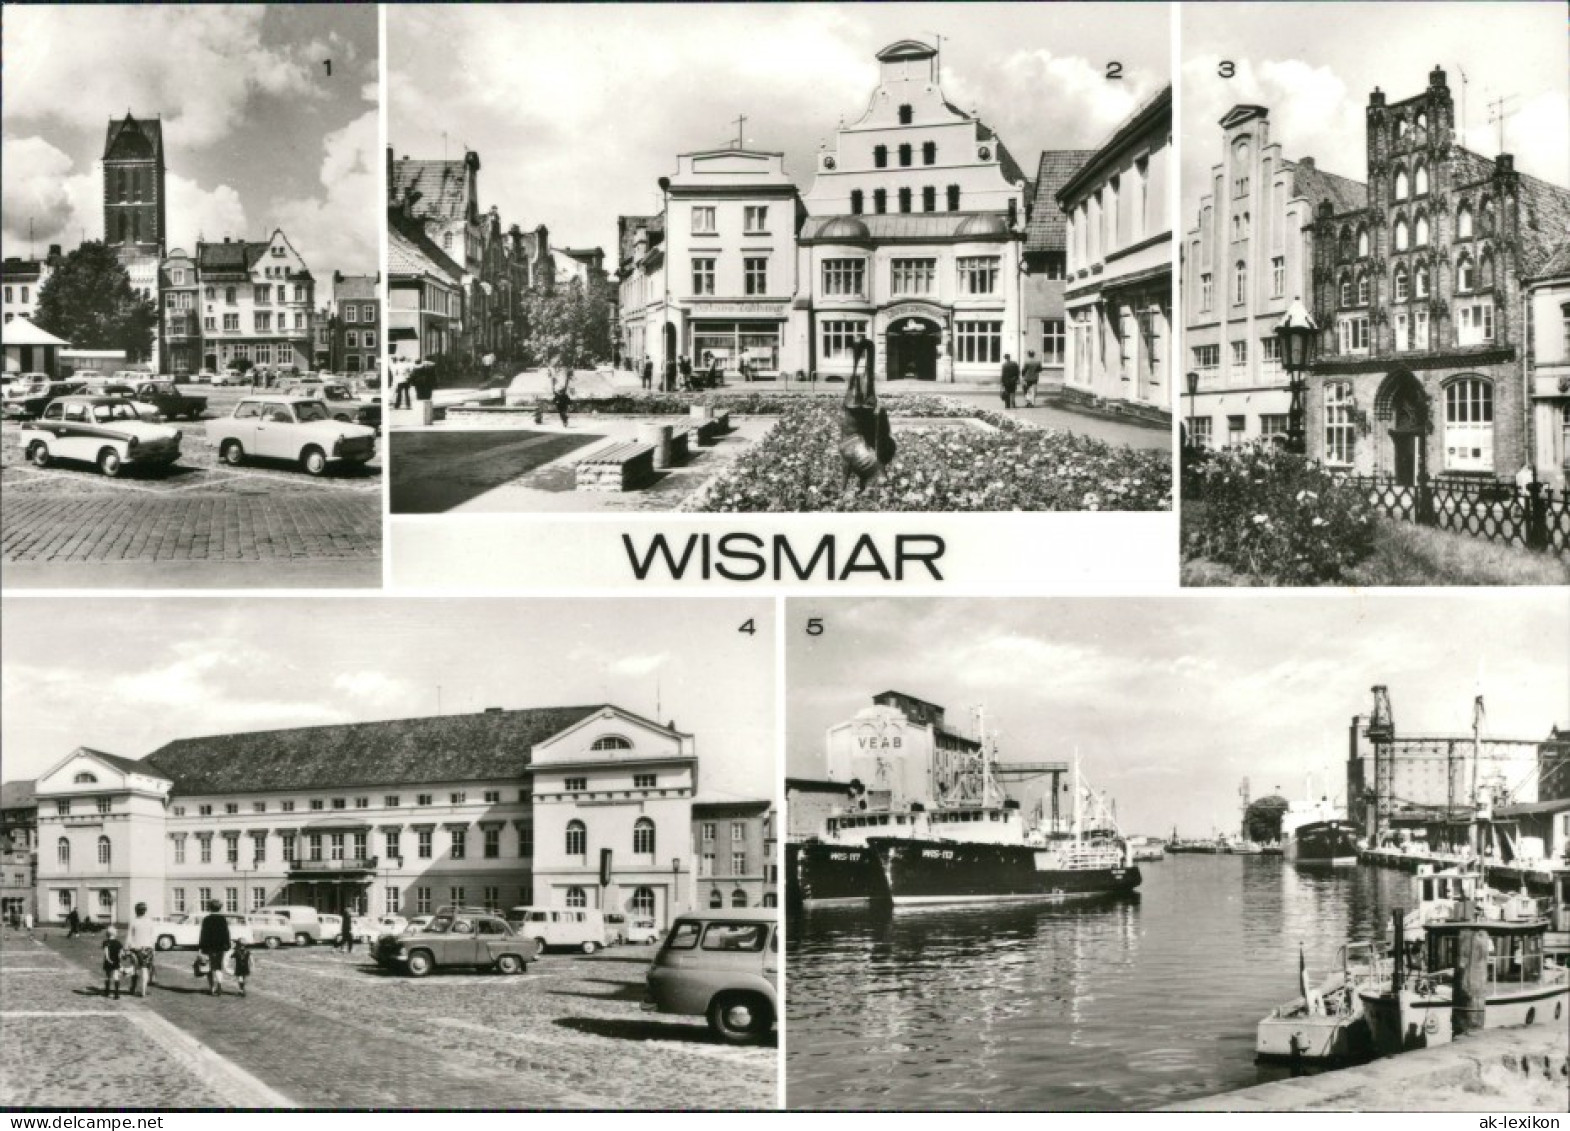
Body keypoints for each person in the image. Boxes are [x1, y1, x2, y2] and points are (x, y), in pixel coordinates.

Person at [198, 899, 231, 996]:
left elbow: (203, 934)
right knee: (218, 967)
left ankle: (212, 988)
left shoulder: (207, 919)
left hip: (208, 947)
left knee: (208, 968)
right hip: (220, 947)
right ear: (220, 908)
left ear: (210, 908)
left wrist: (200, 947)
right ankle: (220, 985)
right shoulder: (223, 919)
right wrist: (227, 945)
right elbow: (226, 933)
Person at [126, 902, 156, 997]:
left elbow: (129, 936)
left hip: (136, 948)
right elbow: (153, 937)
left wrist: (126, 948)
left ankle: (133, 987)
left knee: (135, 969)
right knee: (145, 969)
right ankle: (143, 990)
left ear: (136, 911)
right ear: (145, 911)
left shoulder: (133, 921)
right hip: (148, 948)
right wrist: (153, 948)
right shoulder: (150, 921)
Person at [101, 927, 125, 1000]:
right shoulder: (118, 943)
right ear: (115, 934)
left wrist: (108, 959)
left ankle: (107, 991)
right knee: (116, 977)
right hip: (116, 961)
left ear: (107, 934)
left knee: (108, 976)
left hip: (108, 962)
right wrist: (120, 961)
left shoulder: (105, 942)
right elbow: (120, 954)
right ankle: (116, 994)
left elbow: (106, 951)